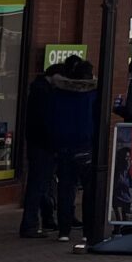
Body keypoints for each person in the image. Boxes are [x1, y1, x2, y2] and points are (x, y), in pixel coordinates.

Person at [45, 56, 99, 242]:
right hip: (85, 146)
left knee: (65, 188)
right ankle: (88, 231)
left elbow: (52, 118)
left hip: (64, 145)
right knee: (90, 190)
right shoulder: (93, 95)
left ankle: (64, 230)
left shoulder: (58, 93)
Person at [18, 61, 61, 237]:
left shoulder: (40, 90)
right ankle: (30, 224)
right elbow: (45, 122)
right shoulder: (44, 93)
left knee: (42, 184)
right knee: (38, 185)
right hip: (43, 145)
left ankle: (45, 218)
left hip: (39, 144)